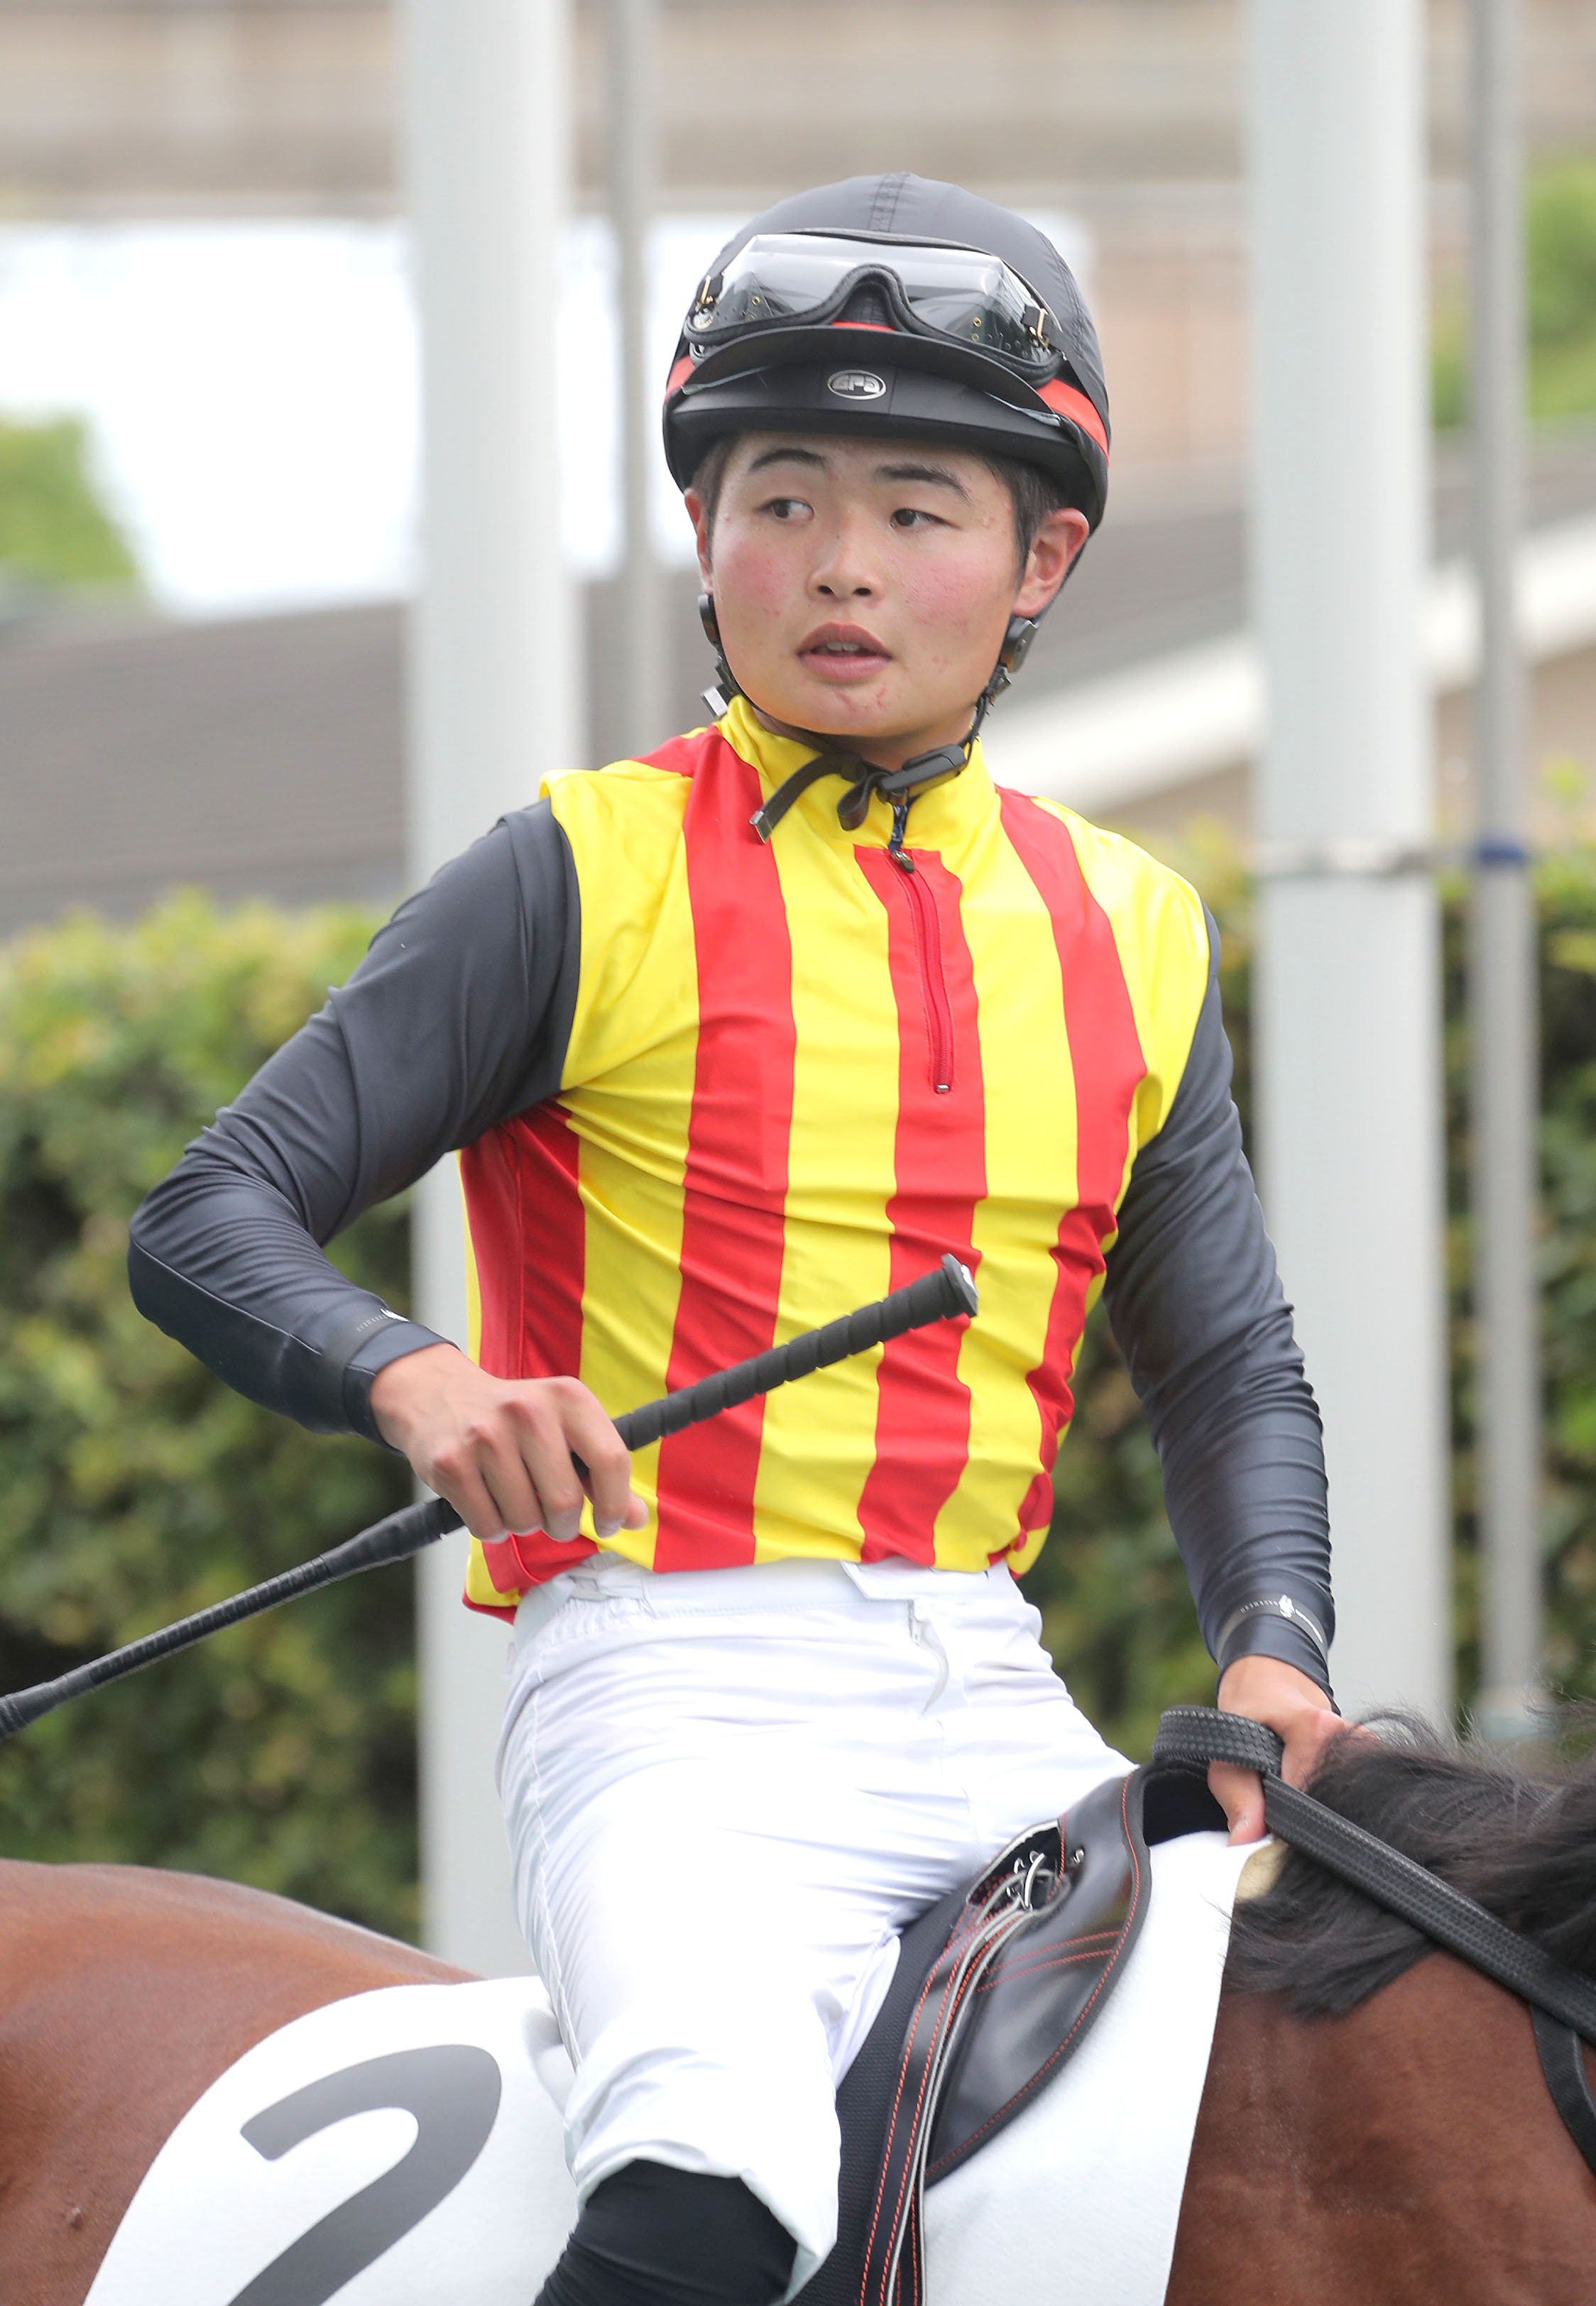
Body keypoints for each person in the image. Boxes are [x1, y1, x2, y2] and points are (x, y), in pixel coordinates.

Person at [129, 174, 1342, 2305]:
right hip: (669, 1694)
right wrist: (418, 1378)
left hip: (989, 1692)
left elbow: (1228, 1360)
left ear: (1044, 559)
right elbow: (205, 1213)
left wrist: (1277, 1647)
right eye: (781, 500)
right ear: (705, 532)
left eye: (914, 509)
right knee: (717, 2195)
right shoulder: (565, 875)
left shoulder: (1140, 929)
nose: (839, 564)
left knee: (1288, 2143)